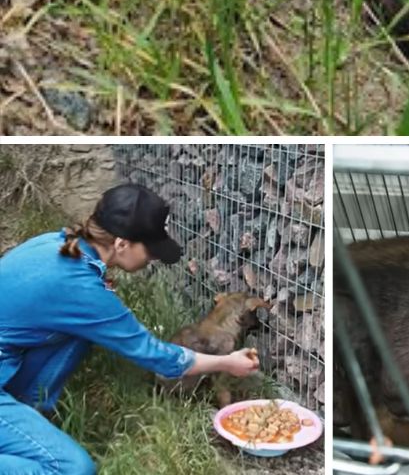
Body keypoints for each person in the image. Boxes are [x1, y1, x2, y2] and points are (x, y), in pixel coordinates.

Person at [0, 183, 260, 474]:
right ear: (121, 244)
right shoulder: (81, 288)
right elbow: (155, 355)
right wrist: (227, 361)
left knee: (79, 335)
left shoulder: (57, 245)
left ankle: (26, 418)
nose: (153, 258)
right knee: (72, 468)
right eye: (149, 250)